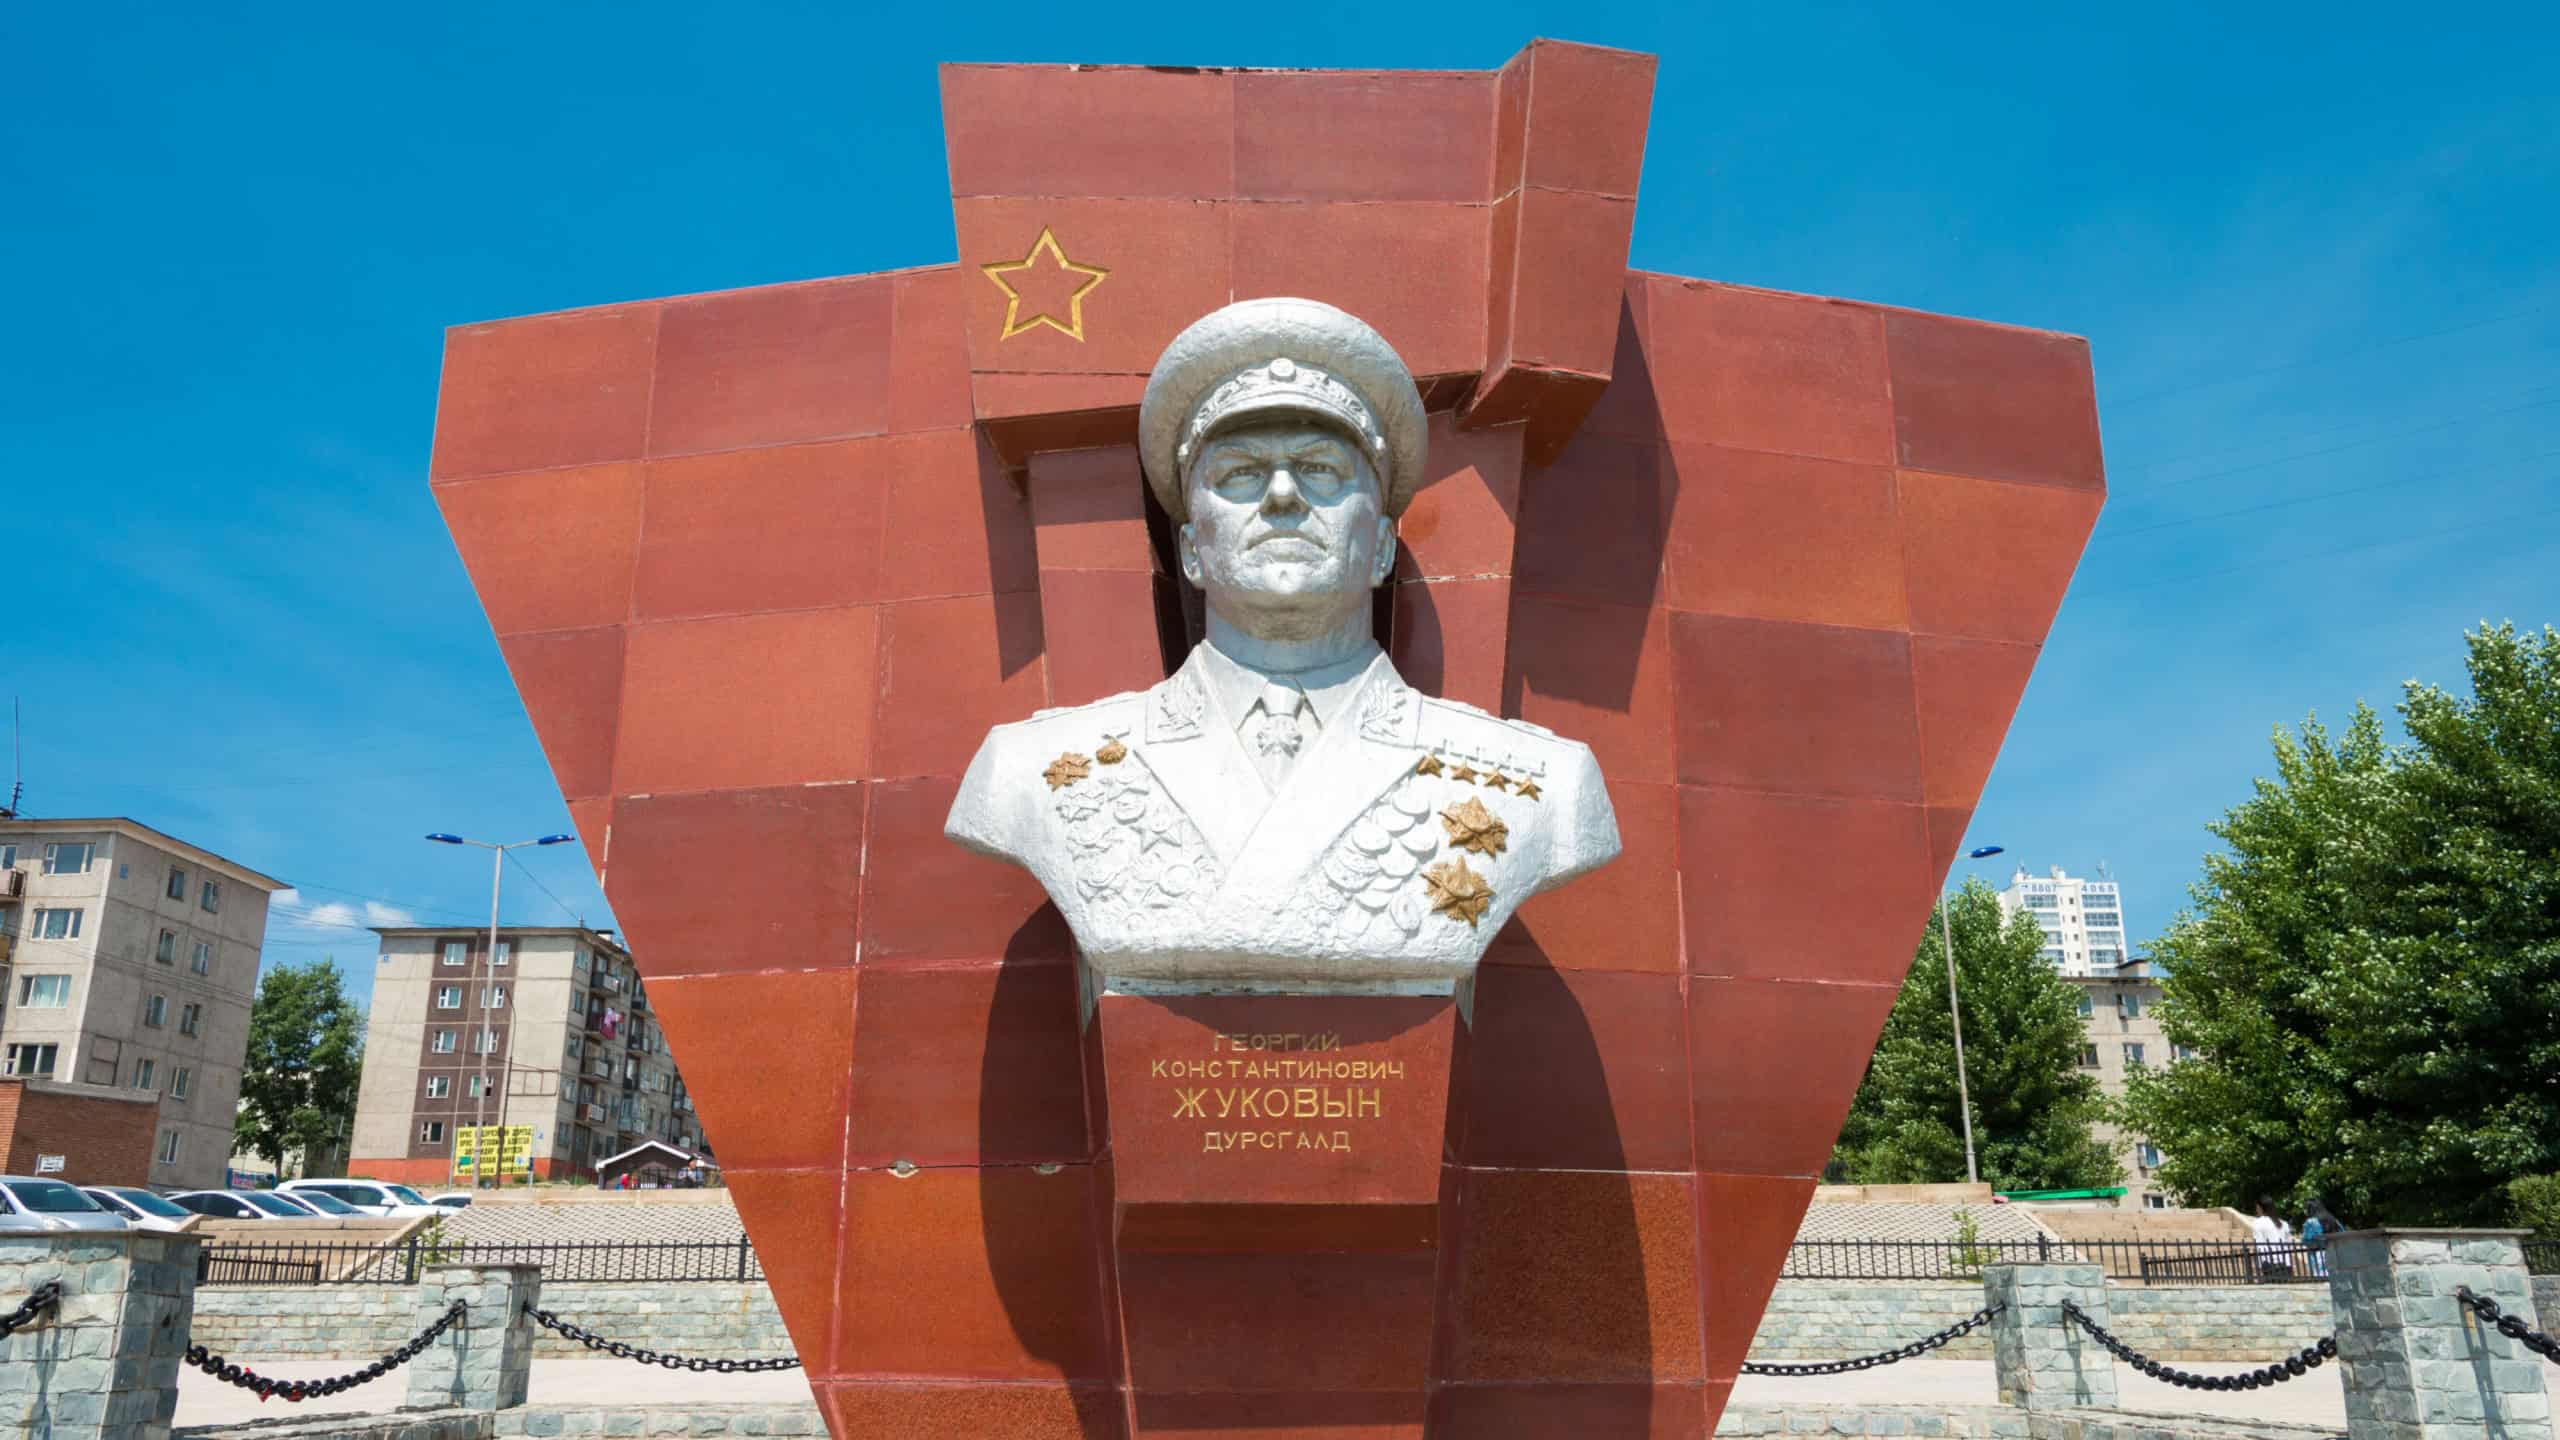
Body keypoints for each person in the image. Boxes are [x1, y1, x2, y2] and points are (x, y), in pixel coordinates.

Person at [946, 297, 1622, 994]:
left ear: (1384, 545)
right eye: (1238, 473)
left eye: (1321, 468)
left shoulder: (1537, 781)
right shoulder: (1034, 769)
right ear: (1191, 552)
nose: (1280, 496)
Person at [2249, 1195, 2296, 1278]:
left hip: (2269, 1263)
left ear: (2260, 1208)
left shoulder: (2257, 1223)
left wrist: (2259, 1263)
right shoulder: (2283, 1223)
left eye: (2256, 1207)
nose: (2256, 1210)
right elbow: (2289, 1242)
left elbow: (2259, 1244)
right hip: (2286, 1263)